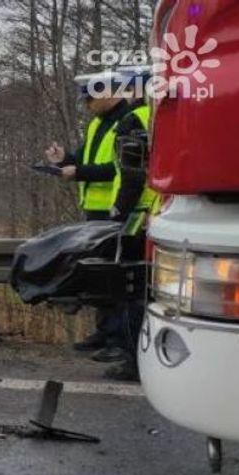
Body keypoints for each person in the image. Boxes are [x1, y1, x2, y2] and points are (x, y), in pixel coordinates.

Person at [43, 67, 156, 380]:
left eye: (90, 97)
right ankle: (108, 334)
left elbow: (124, 171)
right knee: (103, 278)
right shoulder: (98, 124)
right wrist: (65, 160)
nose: (86, 103)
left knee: (124, 281)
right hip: (104, 209)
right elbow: (88, 160)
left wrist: (117, 207)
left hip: (124, 210)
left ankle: (124, 346)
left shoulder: (133, 120)